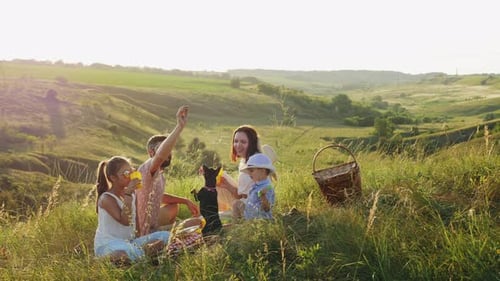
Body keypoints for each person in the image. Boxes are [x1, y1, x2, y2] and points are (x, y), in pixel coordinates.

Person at [135, 105, 200, 236]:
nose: (168, 153)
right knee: (199, 223)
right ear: (151, 152)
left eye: (170, 150)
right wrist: (179, 127)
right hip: (145, 232)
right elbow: (160, 156)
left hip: (153, 223)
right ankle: (171, 234)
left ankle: (172, 230)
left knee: (173, 207)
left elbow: (159, 197)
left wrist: (185, 200)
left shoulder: (159, 174)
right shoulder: (147, 169)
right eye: (164, 149)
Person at [94, 156, 169, 265]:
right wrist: (128, 193)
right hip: (108, 244)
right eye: (126, 173)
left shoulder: (132, 194)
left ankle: (143, 254)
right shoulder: (107, 198)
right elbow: (126, 221)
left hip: (129, 241)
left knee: (165, 236)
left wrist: (141, 237)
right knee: (124, 254)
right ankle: (102, 259)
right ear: (113, 178)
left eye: (132, 171)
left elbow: (136, 218)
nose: (130, 176)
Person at [218, 125, 278, 221]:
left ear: (252, 144)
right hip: (247, 202)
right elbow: (242, 194)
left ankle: (224, 218)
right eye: (236, 141)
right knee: (217, 177)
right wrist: (226, 184)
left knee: (218, 217)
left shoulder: (256, 166)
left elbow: (249, 196)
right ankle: (221, 213)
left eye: (243, 142)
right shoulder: (244, 161)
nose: (238, 145)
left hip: (252, 206)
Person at [240, 153, 276, 220]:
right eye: (249, 171)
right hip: (250, 216)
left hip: (259, 219)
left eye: (252, 171)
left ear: (262, 171)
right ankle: (235, 225)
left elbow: (267, 209)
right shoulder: (255, 186)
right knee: (237, 204)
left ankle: (236, 226)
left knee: (237, 205)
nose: (249, 174)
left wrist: (263, 196)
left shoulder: (267, 187)